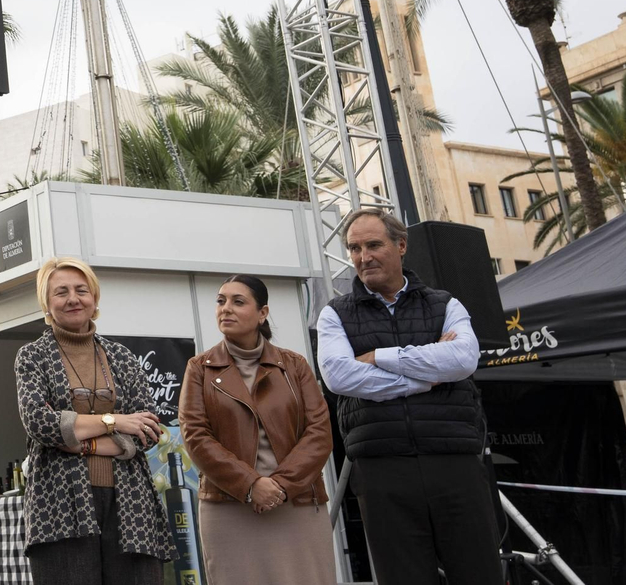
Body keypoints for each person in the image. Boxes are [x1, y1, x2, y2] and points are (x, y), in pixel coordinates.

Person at [316, 208, 500, 585]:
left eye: (373, 245)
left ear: (401, 246)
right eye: (354, 248)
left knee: (480, 574)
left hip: (454, 464)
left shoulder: (445, 303)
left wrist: (381, 357)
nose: (363, 257)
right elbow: (339, 376)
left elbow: (463, 359)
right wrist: (426, 377)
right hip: (383, 470)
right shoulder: (335, 315)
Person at [14, 257, 174, 585]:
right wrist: (115, 420)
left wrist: (78, 440)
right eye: (61, 292)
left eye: (81, 290)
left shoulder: (123, 357)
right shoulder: (32, 356)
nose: (73, 298)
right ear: (46, 303)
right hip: (58, 507)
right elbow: (39, 422)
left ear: (95, 298)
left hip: (131, 504)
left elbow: (146, 431)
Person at [179, 275, 335, 584]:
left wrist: (278, 486)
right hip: (229, 506)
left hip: (297, 501)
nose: (226, 308)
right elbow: (195, 436)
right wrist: (251, 485)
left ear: (262, 313)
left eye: (238, 301)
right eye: (221, 301)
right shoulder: (199, 368)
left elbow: (319, 432)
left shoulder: (295, 365)